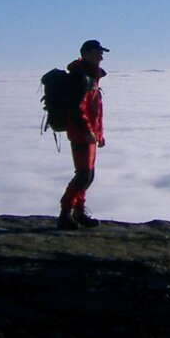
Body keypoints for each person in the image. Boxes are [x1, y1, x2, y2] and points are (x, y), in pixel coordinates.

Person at [57, 40, 108, 230]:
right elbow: (77, 109)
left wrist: (98, 134)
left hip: (90, 135)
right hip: (81, 135)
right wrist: (87, 131)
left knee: (88, 176)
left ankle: (78, 212)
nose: (101, 57)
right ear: (85, 53)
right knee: (83, 176)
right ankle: (65, 213)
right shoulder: (81, 77)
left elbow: (95, 110)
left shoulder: (90, 77)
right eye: (97, 53)